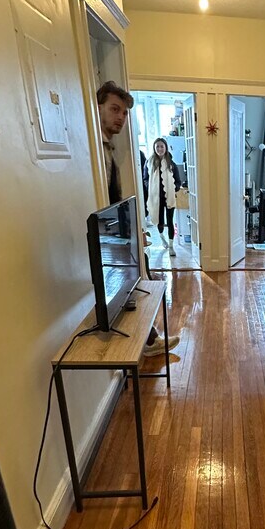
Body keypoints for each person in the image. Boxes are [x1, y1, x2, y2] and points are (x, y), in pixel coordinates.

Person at [96, 82, 179, 356]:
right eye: (114, 109)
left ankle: (148, 340)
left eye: (124, 112)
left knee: (140, 281)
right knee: (136, 283)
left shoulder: (108, 149)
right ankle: (146, 342)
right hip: (108, 237)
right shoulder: (95, 151)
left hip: (117, 233)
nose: (120, 117)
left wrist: (132, 230)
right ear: (98, 108)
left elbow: (114, 199)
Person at [147, 137, 181, 257]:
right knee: (159, 221)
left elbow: (178, 181)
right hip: (156, 198)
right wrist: (150, 189)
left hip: (169, 197)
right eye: (157, 146)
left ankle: (171, 246)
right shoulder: (149, 163)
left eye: (162, 146)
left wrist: (174, 188)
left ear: (165, 148)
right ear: (154, 148)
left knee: (170, 221)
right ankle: (162, 238)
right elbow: (145, 179)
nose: (160, 149)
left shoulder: (171, 164)